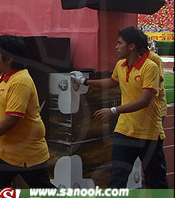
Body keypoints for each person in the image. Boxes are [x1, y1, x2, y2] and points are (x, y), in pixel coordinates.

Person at [71, 26, 168, 188]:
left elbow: (145, 100)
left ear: (132, 47)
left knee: (156, 179)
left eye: (119, 43)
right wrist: (85, 81)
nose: (116, 47)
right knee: (117, 178)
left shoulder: (150, 66)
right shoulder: (120, 65)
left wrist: (113, 111)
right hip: (124, 131)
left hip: (148, 134)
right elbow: (111, 82)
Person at [0, 35, 55, 188]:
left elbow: (12, 119)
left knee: (43, 190)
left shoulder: (20, 81)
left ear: (9, 58)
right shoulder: (3, 77)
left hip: (26, 152)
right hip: (2, 150)